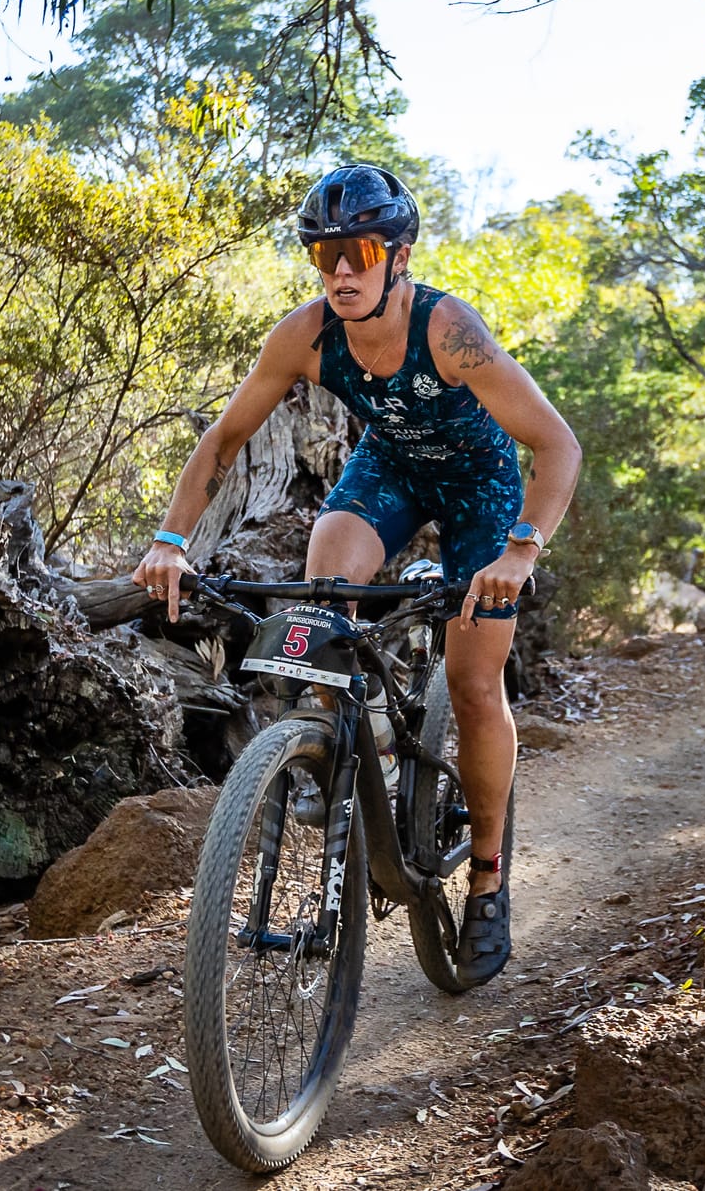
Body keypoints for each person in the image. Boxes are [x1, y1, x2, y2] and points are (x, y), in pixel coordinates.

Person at [131, 163, 581, 981]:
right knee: (325, 593)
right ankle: (344, 731)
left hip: (481, 487)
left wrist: (519, 553)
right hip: (392, 468)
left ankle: (486, 877)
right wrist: (170, 537)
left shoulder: (448, 331)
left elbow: (558, 445)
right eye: (324, 253)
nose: (342, 270)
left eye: (361, 250)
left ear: (398, 254)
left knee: (474, 680)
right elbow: (225, 440)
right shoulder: (304, 334)